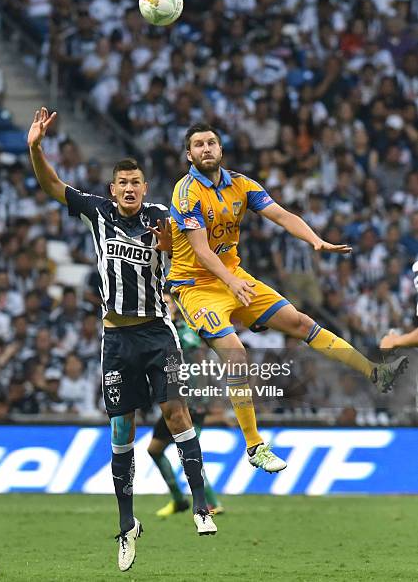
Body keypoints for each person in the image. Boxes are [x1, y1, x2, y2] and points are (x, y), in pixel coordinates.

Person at [28, 107, 216, 573]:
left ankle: (200, 506)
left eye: (136, 182)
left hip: (158, 333)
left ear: (145, 187)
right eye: (122, 183)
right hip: (116, 338)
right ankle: (127, 524)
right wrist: (35, 148)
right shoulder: (97, 212)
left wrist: (167, 249)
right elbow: (53, 187)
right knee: (121, 431)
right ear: (113, 189)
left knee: (177, 413)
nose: (129, 189)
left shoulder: (163, 218)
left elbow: (186, 256)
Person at [168, 122, 409, 473]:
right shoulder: (186, 192)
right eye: (199, 145)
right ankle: (254, 446)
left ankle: (375, 372)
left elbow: (280, 214)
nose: (207, 149)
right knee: (235, 352)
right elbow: (201, 251)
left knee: (300, 322)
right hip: (195, 285)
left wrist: (314, 240)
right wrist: (231, 283)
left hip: (233, 277)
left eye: (212, 143)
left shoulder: (241, 184)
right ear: (189, 155)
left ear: (221, 150)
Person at [148, 292, 224, 518]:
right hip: (172, 403)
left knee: (189, 452)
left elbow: (201, 368)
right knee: (155, 450)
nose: (164, 305)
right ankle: (179, 500)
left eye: (167, 302)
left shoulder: (186, 335)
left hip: (191, 404)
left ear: (176, 307)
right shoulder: (157, 333)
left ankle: (212, 503)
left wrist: (201, 400)